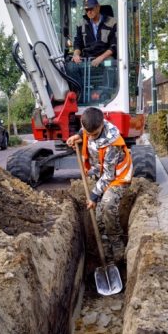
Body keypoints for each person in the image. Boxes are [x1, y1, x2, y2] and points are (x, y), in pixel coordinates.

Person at [66, 107, 133, 263]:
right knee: (98, 216)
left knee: (107, 205)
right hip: (101, 174)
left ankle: (117, 244)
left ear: (103, 123)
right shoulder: (89, 128)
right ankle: (104, 250)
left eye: (94, 134)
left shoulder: (113, 143)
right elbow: (85, 133)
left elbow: (109, 176)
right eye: (88, 133)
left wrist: (94, 196)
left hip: (117, 177)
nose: (90, 137)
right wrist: (77, 136)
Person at [68, 0, 117, 100]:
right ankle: (80, 94)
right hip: (87, 57)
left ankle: (105, 94)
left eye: (91, 9)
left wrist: (101, 58)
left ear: (98, 7)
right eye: (86, 10)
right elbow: (78, 44)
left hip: (104, 57)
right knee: (70, 66)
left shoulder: (111, 22)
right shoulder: (82, 24)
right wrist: (76, 54)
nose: (89, 12)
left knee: (111, 62)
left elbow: (114, 46)